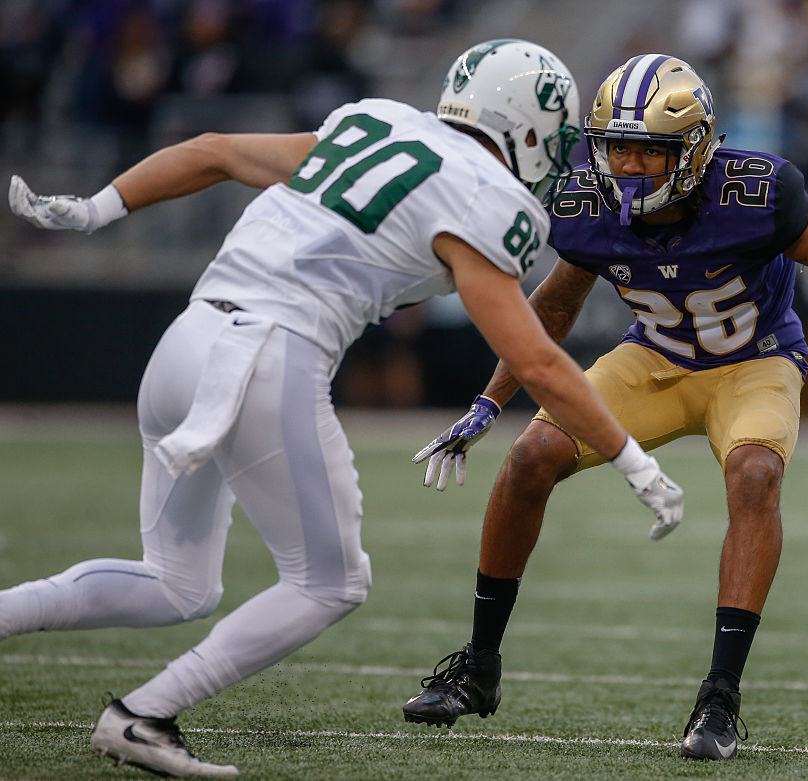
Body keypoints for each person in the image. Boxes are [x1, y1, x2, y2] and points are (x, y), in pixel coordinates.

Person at [2, 40, 684, 779]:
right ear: (524, 124)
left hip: (184, 342)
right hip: (268, 356)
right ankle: (144, 714)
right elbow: (537, 358)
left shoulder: (375, 124)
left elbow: (213, 149)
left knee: (177, 583)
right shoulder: (488, 197)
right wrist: (631, 457)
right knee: (331, 582)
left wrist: (96, 208)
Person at [402, 54, 808, 761]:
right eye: (617, 145)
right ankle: (478, 667)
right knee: (530, 456)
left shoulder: (755, 194)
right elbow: (553, 306)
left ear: (697, 147)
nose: (629, 164)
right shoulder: (588, 204)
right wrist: (489, 400)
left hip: (756, 359)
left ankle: (719, 698)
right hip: (654, 358)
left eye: (650, 148)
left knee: (754, 474)